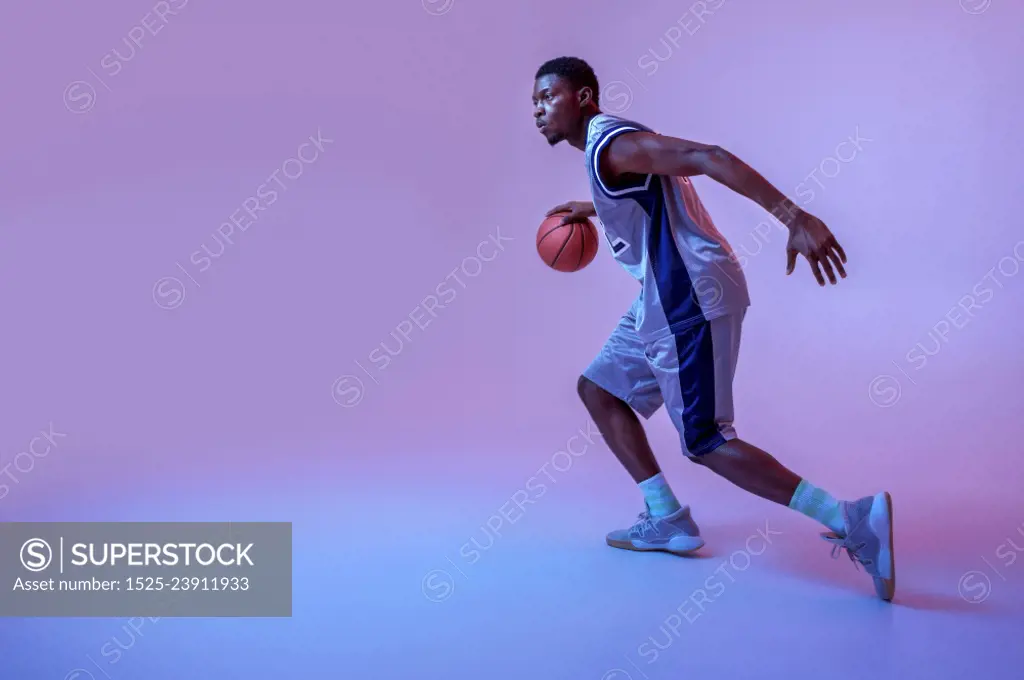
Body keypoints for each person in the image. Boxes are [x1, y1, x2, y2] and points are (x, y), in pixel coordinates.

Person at [532, 56, 895, 601]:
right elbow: (651, 189)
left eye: (547, 98)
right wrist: (599, 206)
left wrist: (795, 217)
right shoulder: (609, 155)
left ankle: (852, 517)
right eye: (534, 102)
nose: (538, 111)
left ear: (583, 98)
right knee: (599, 389)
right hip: (663, 293)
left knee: (705, 440)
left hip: (689, 296)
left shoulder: (614, 147)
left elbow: (708, 156)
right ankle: (667, 518)